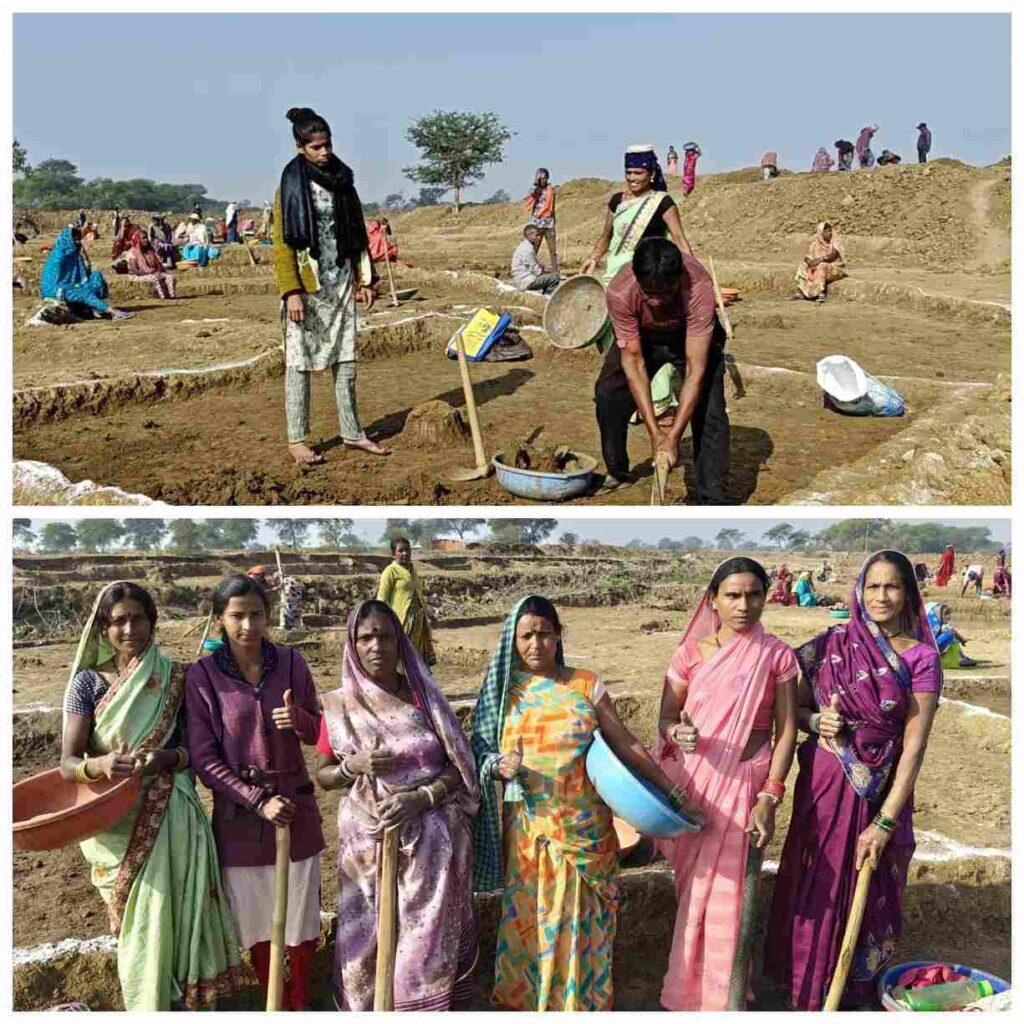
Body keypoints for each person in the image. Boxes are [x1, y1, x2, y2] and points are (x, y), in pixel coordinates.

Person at [471, 595, 700, 1011]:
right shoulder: (503, 690)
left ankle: (580, 1005)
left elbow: (624, 742)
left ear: (559, 636)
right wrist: (499, 766)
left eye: (544, 634)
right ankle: (531, 1005)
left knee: (582, 922)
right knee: (533, 919)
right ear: (513, 641)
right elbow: (478, 749)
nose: (536, 644)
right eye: (526, 636)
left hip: (585, 827)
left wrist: (672, 792)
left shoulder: (586, 684)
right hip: (531, 831)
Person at [765, 550, 942, 1010]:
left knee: (869, 885)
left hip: (880, 793)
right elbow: (795, 708)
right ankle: (804, 990)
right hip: (824, 784)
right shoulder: (831, 645)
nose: (881, 596)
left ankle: (850, 995)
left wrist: (884, 823)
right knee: (816, 882)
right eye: (873, 586)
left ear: (908, 593)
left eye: (892, 586)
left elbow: (914, 747)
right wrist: (815, 721)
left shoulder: (922, 658)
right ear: (859, 592)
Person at [60, 582, 243, 1010]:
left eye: (137, 619)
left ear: (152, 621)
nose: (129, 629)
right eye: (118, 621)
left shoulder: (178, 678)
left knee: (180, 916)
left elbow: (198, 752)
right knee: (138, 928)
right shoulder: (87, 684)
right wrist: (100, 765)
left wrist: (166, 758)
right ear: (103, 629)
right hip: (114, 822)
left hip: (173, 812)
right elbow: (68, 763)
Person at [315, 600, 479, 1010]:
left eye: (385, 636)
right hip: (365, 847)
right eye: (365, 638)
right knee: (365, 946)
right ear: (353, 645)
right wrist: (353, 766)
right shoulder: (339, 704)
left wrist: (421, 797)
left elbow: (459, 766)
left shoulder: (425, 698)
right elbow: (323, 776)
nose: (376, 646)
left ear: (399, 642)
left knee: (422, 949)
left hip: (431, 846)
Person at [655, 558, 798, 1010]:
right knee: (694, 892)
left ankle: (726, 1000)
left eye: (754, 594)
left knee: (733, 899)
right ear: (712, 601)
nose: (743, 605)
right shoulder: (689, 654)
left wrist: (770, 796)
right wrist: (676, 732)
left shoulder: (777, 656)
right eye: (732, 595)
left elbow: (786, 731)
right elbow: (665, 719)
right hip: (696, 789)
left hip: (745, 785)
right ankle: (686, 994)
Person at [186, 574, 325, 1012]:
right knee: (256, 921)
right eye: (237, 616)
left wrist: (299, 720)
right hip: (241, 820)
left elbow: (321, 733)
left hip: (296, 810)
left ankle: (298, 1004)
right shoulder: (203, 676)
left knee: (301, 920)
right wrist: (258, 801)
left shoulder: (291, 662)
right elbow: (205, 759)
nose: (248, 625)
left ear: (268, 616)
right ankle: (272, 1003)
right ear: (220, 619)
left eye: (257, 614)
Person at [273, 106, 387, 466]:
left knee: (347, 359)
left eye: (328, 145)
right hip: (307, 287)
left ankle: (353, 432)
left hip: (339, 283)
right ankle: (297, 440)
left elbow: (357, 232)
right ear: (299, 147)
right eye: (316, 147)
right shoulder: (290, 185)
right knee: (300, 362)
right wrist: (292, 291)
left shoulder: (343, 180)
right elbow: (282, 245)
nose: (324, 152)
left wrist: (365, 279)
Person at [595, 237, 729, 501]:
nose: (656, 302)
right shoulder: (620, 292)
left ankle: (711, 497)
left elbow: (695, 369)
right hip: (643, 335)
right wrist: (656, 433)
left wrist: (674, 436)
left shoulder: (698, 287)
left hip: (689, 334)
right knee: (608, 394)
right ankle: (618, 470)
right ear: (637, 279)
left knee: (710, 410)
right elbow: (633, 362)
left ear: (678, 279)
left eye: (665, 293)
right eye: (648, 293)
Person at [39, 226, 132, 320]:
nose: (78, 242)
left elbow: (85, 270)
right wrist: (75, 286)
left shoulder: (74, 254)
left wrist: (83, 254)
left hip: (69, 284)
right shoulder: (59, 256)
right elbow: (57, 279)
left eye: (79, 240)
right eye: (75, 240)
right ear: (69, 240)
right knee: (83, 293)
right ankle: (112, 311)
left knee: (96, 277)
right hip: (55, 288)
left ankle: (97, 308)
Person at [376, 537, 435, 665]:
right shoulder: (390, 571)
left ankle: (417, 677)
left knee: (418, 660)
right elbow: (381, 599)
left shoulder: (413, 571)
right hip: (401, 623)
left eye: (408, 550)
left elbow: (418, 595)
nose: (405, 553)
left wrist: (428, 613)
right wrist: (383, 623)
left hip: (419, 622)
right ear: (393, 553)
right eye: (401, 551)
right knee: (402, 659)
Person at [792, 222, 846, 302]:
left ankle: (821, 293)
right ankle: (801, 291)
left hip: (835, 269)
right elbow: (807, 257)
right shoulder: (815, 244)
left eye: (830, 231)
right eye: (826, 231)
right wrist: (810, 262)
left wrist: (820, 260)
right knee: (803, 265)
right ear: (821, 233)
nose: (829, 233)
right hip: (818, 266)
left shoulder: (835, 242)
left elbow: (833, 255)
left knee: (822, 266)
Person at [521, 167, 558, 272]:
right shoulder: (536, 189)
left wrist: (552, 221)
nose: (543, 180)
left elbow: (549, 206)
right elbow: (531, 194)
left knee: (553, 250)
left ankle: (555, 271)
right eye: (541, 178)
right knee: (534, 248)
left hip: (548, 223)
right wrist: (536, 183)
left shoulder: (551, 189)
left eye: (544, 178)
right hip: (537, 224)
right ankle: (530, 269)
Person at [246, 564, 304, 630]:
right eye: (258, 574)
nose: (260, 576)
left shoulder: (262, 581)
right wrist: (276, 589)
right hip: (252, 602)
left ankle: (290, 625)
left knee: (289, 606)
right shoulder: (250, 582)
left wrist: (276, 582)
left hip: (265, 602)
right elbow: (262, 593)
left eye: (261, 575)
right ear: (253, 574)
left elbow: (270, 586)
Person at [510, 224, 561, 295]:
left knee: (549, 277)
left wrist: (545, 269)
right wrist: (550, 271)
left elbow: (535, 265)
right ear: (529, 235)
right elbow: (536, 271)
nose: (539, 238)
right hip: (525, 280)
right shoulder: (527, 250)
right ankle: (547, 297)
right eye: (537, 235)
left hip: (524, 278)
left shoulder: (526, 246)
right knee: (554, 278)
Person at [926, 602, 978, 669]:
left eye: (949, 613)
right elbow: (952, 632)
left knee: (951, 635)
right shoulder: (935, 624)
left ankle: (960, 657)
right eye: (946, 614)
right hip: (931, 652)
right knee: (950, 635)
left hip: (928, 651)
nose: (948, 616)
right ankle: (960, 658)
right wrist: (961, 640)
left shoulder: (932, 620)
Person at [126, 231, 176, 299]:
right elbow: (134, 270)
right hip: (138, 275)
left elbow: (158, 264)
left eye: (146, 238)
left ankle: (171, 296)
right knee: (154, 278)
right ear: (138, 239)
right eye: (143, 238)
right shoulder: (132, 252)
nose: (146, 240)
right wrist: (149, 273)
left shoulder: (150, 251)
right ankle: (162, 297)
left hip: (152, 272)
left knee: (170, 277)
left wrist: (159, 271)